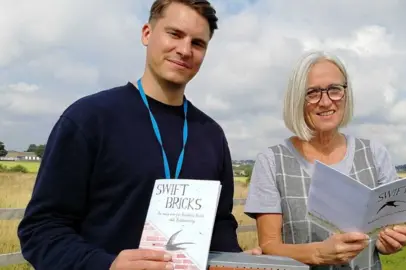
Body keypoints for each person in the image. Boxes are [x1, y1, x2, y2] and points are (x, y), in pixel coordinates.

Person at [17, 1, 260, 270]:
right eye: (175, 34)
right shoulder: (89, 118)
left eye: (198, 43)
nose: (185, 50)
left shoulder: (211, 135)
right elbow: (40, 230)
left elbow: (220, 225)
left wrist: (236, 261)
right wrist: (106, 266)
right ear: (147, 33)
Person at [243, 50, 406, 270]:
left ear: (346, 93)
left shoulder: (375, 154)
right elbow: (269, 246)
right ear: (297, 100)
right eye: (312, 93)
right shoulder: (272, 161)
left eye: (334, 90)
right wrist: (318, 254)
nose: (325, 101)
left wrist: (390, 241)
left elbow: (387, 229)